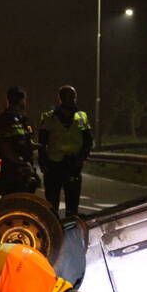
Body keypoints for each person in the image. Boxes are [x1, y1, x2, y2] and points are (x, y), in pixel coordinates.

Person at [38, 85, 92, 217]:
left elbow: (88, 140)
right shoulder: (49, 117)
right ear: (61, 99)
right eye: (70, 97)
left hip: (73, 164)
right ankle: (52, 230)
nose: (73, 100)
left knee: (72, 206)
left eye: (73, 97)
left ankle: (71, 229)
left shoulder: (81, 116)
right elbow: (42, 143)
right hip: (53, 165)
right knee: (51, 205)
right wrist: (43, 163)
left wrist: (81, 158)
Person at [0, 86, 39, 195]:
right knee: (12, 206)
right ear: (22, 101)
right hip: (12, 173)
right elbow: (5, 148)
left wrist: (42, 146)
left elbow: (27, 143)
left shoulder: (23, 120)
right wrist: (22, 163)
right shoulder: (3, 121)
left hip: (25, 173)